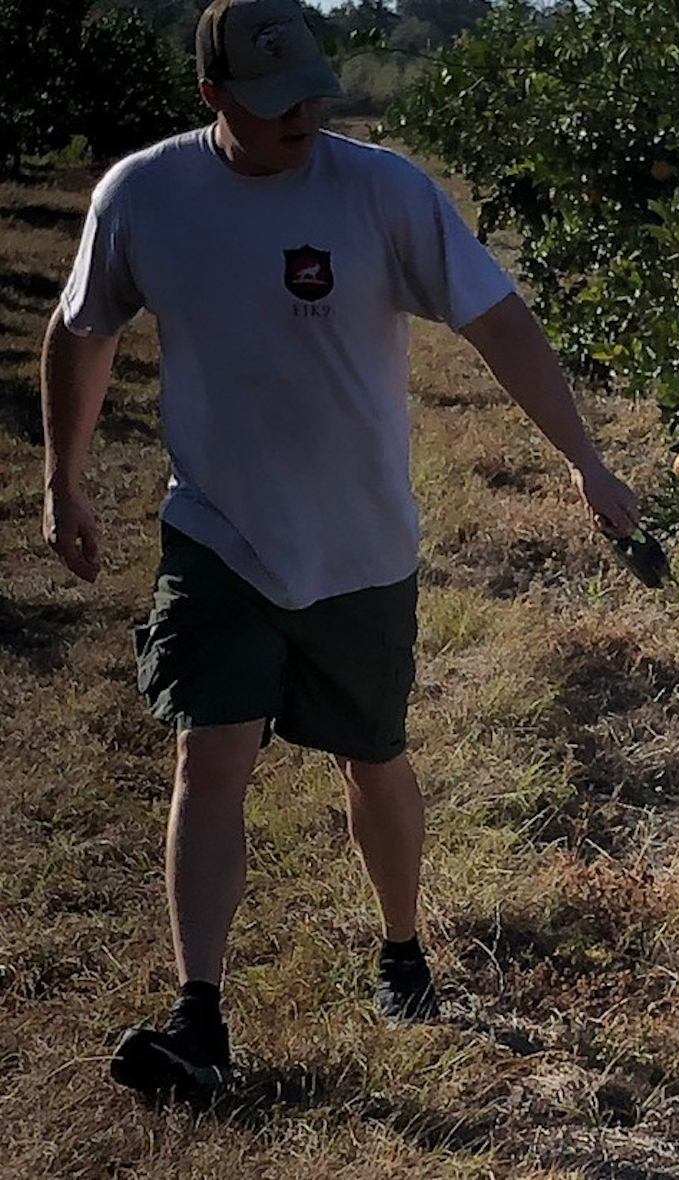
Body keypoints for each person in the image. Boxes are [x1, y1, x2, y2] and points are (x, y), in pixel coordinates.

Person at [41, 0, 640, 1097]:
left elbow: (498, 320)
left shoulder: (382, 191)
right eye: (275, 102)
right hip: (216, 530)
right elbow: (82, 328)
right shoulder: (146, 196)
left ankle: (401, 947)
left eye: (313, 89)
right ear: (212, 93)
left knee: (374, 753)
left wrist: (584, 459)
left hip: (361, 544)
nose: (304, 116)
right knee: (207, 755)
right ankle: (200, 1016)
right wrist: (63, 480)